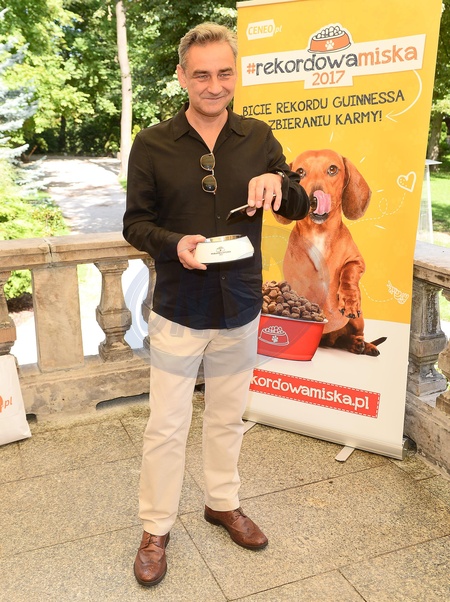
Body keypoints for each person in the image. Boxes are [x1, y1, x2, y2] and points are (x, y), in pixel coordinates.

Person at [123, 22, 310, 587]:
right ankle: (156, 528)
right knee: (166, 425)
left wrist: (278, 181)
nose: (214, 85)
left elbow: (298, 204)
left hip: (241, 306)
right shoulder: (152, 143)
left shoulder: (259, 137)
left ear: (237, 73)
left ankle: (222, 503)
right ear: (182, 76)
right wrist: (172, 243)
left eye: (224, 73)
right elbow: (135, 223)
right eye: (201, 74)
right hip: (179, 308)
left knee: (228, 416)